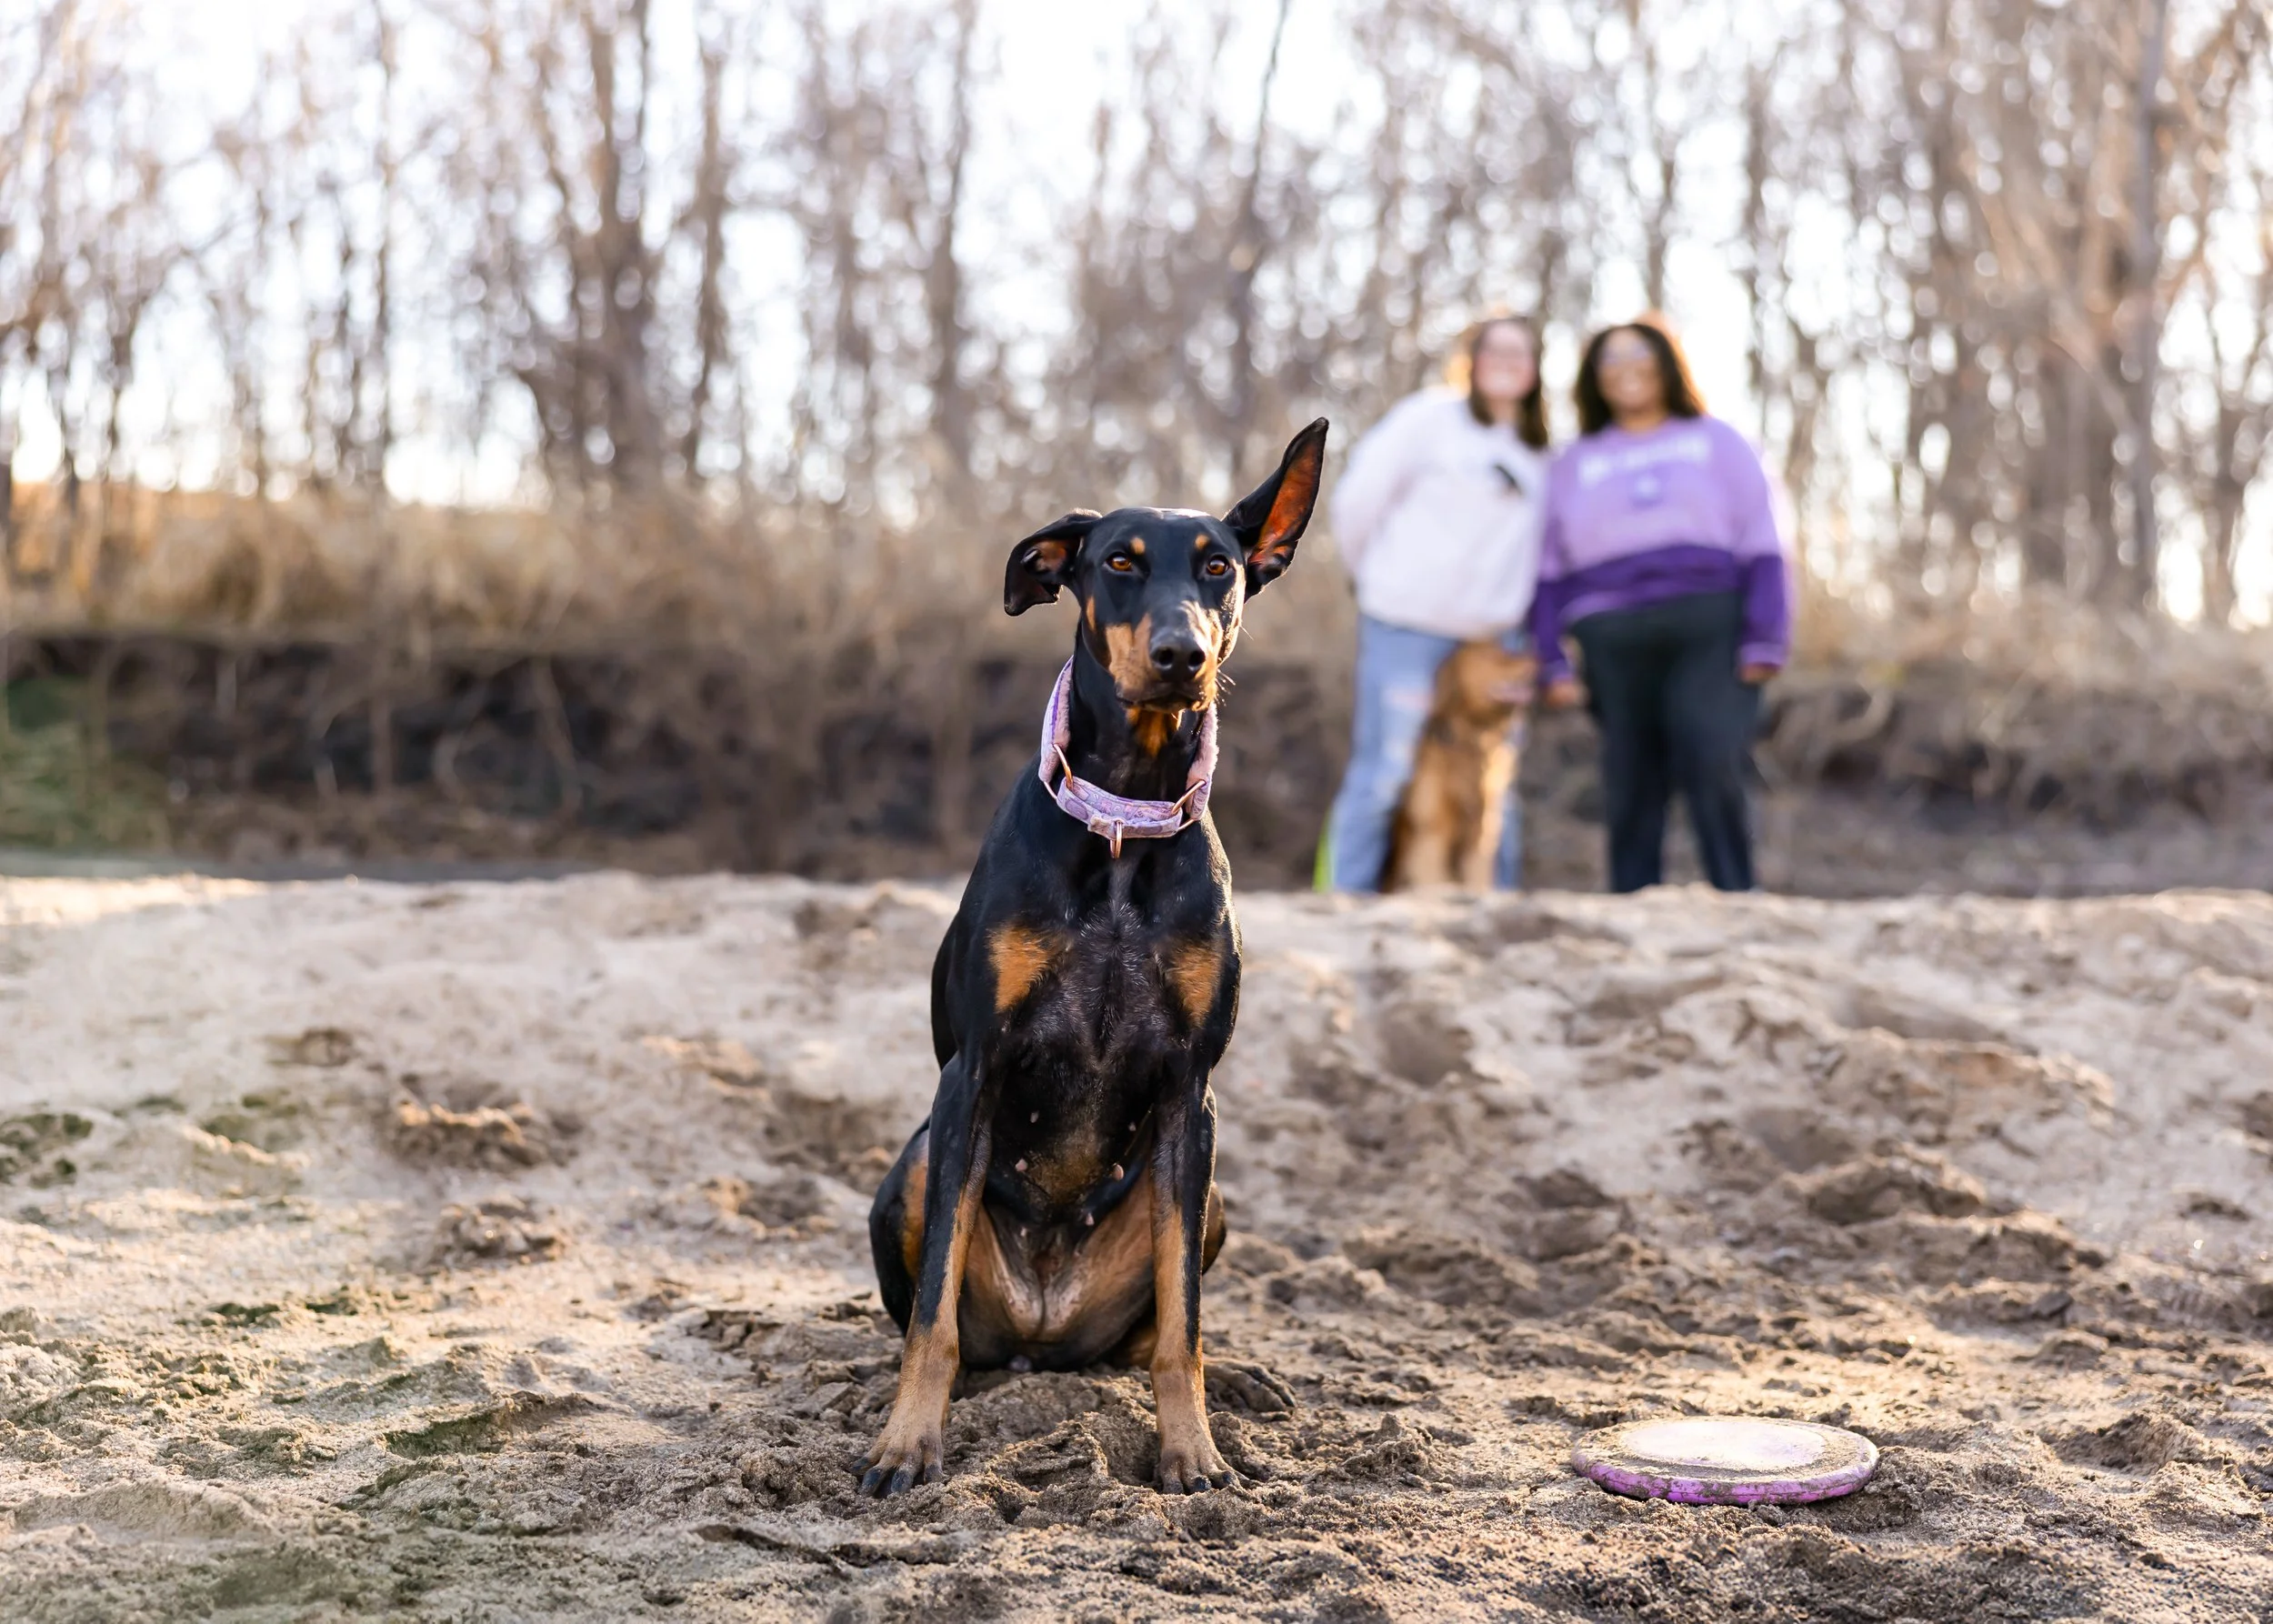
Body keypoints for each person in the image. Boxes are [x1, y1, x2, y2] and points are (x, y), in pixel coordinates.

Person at [1531, 315, 1790, 893]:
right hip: (1611, 637)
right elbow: (1546, 569)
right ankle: (1631, 900)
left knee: (1712, 754)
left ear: (1668, 363)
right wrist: (1550, 656)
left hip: (1709, 625)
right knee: (1629, 775)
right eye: (1610, 359)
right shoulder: (1573, 463)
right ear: (1594, 379)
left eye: (1638, 354)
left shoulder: (1717, 441)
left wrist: (1767, 634)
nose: (1626, 369)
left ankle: (1734, 892)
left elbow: (1764, 540)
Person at [1322, 314, 1550, 892]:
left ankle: (1494, 906)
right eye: (1493, 349)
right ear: (1470, 359)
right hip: (1406, 624)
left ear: (1537, 367)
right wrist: (1370, 578)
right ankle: (1340, 900)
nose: (1506, 361)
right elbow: (1358, 503)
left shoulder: (1541, 449)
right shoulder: (1427, 418)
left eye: (1520, 352)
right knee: (1385, 774)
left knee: (1495, 780)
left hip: (1496, 638)